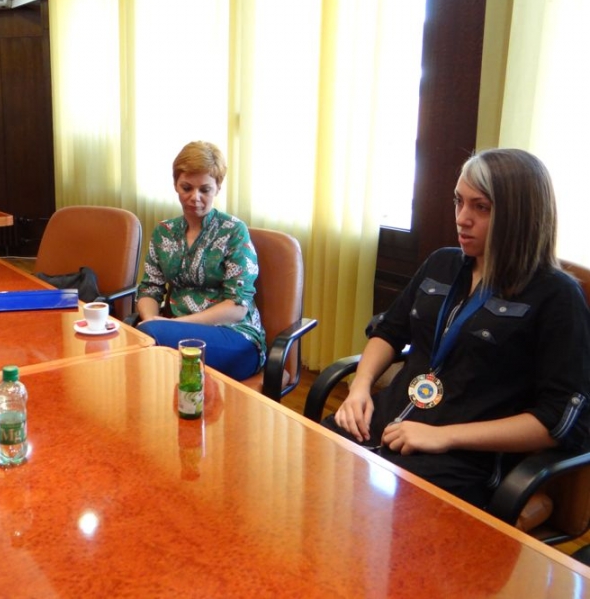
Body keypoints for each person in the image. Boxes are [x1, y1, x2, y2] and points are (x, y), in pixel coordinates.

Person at [325, 148, 590, 507]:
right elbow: (389, 331)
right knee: (308, 474)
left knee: (372, 520)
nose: (463, 219)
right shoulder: (442, 264)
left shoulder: (557, 295)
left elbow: (557, 421)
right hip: (380, 422)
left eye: (481, 207)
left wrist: (444, 436)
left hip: (461, 461)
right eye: (458, 202)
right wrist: (359, 388)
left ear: (519, 216)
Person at [136, 141, 266, 380]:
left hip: (235, 337)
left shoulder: (233, 231)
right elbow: (149, 289)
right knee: (141, 338)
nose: (194, 197)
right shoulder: (164, 232)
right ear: (175, 184)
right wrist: (150, 321)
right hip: (174, 333)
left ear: (218, 188)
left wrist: (171, 326)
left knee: (147, 342)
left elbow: (237, 307)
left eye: (205, 190)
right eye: (186, 187)